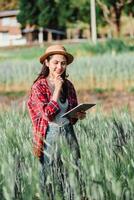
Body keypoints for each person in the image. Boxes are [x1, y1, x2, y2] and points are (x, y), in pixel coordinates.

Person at [27, 44, 86, 200]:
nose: (59, 67)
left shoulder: (69, 85)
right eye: (55, 62)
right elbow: (47, 115)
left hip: (68, 133)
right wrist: (57, 88)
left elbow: (70, 114)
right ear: (47, 63)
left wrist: (77, 115)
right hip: (49, 134)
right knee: (49, 175)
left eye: (63, 63)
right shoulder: (39, 86)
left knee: (73, 172)